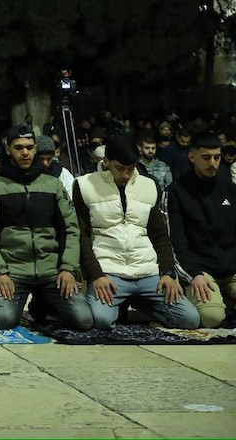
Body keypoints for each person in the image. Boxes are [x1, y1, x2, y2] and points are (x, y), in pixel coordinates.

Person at [0, 125, 92, 330]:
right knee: (3, 320)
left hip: (52, 271)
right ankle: (41, 302)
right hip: (12, 271)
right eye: (18, 147)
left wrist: (68, 268)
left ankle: (43, 303)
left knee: (84, 320)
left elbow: (70, 229)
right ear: (8, 149)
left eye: (29, 147)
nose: (25, 152)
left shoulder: (53, 185)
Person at [73, 135, 198, 330]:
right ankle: (122, 301)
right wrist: (96, 275)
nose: (125, 175)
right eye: (119, 168)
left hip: (147, 272)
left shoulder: (148, 185)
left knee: (189, 319)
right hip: (109, 271)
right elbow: (82, 236)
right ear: (106, 161)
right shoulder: (84, 185)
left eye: (130, 169)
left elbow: (160, 235)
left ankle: (140, 300)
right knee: (101, 320)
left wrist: (167, 272)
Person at [167, 132, 236, 328]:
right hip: (201, 269)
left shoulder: (230, 189)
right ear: (192, 157)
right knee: (211, 318)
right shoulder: (177, 192)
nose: (212, 163)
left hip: (232, 267)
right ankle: (222, 303)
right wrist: (193, 275)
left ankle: (227, 302)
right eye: (206, 158)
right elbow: (176, 242)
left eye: (217, 157)